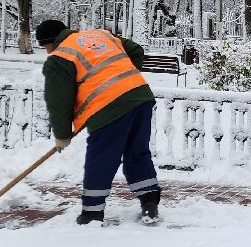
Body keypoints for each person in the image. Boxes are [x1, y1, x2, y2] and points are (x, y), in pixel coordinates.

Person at [36, 19, 160, 225]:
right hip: (140, 96)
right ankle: (150, 204)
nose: (46, 52)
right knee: (137, 152)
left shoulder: (59, 58)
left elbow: (59, 102)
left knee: (102, 158)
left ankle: (92, 213)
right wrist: (123, 80)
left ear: (50, 42)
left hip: (108, 106)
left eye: (44, 47)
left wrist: (62, 135)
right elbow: (137, 51)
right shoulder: (100, 35)